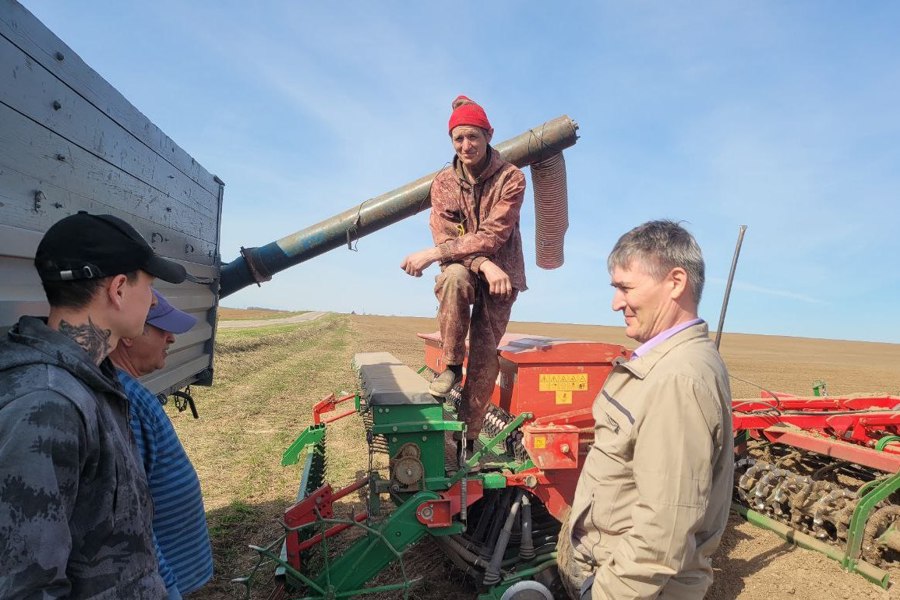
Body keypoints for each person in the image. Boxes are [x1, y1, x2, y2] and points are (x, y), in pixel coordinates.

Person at [0, 211, 187, 598]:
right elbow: (25, 586)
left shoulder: (93, 380)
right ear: (119, 289)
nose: (152, 301)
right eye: (149, 287)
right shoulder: (47, 402)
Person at [558, 220, 733, 600]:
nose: (616, 302)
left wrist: (603, 594)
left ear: (675, 282)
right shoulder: (665, 363)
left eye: (625, 287)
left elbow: (664, 529)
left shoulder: (678, 378)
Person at [400, 95, 526, 460]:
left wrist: (435, 255)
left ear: (488, 136)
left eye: (473, 136)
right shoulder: (443, 183)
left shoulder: (511, 178)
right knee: (454, 277)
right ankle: (452, 365)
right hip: (472, 270)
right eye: (458, 139)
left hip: (504, 277)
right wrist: (483, 265)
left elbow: (493, 234)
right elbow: (446, 237)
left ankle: (467, 441)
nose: (466, 145)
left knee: (486, 357)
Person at [109, 290, 213, 599]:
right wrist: (166, 588)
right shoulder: (124, 404)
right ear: (130, 334)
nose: (170, 339)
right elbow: (133, 518)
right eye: (161, 329)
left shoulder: (129, 392)